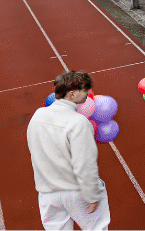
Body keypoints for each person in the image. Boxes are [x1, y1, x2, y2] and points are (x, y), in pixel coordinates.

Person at [27, 71, 110, 230]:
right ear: (72, 94)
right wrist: (92, 195)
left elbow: (35, 149)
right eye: (85, 90)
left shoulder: (38, 115)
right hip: (76, 191)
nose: (88, 93)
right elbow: (84, 163)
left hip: (48, 193)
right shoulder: (80, 122)